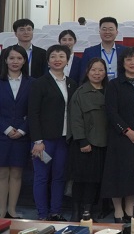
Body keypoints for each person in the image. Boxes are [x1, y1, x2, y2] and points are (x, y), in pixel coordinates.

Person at [101, 47, 134, 223]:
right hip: (121, 136)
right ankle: (118, 210)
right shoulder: (114, 84)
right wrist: (127, 131)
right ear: (122, 63)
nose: (133, 63)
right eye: (129, 60)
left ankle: (129, 208)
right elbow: (111, 111)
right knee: (117, 172)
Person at [29, 44, 77, 221]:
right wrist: (37, 140)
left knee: (59, 177)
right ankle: (42, 214)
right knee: (41, 177)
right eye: (53, 56)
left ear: (67, 60)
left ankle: (56, 212)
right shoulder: (39, 83)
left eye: (61, 56)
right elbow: (33, 113)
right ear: (48, 61)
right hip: (44, 141)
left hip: (64, 139)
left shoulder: (72, 83)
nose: (57, 60)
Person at [67, 58, 108, 221]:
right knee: (80, 180)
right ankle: (76, 213)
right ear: (87, 72)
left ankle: (87, 213)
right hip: (84, 144)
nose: (97, 73)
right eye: (93, 70)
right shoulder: (80, 92)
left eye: (101, 70)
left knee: (94, 181)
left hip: (102, 143)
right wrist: (82, 140)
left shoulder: (109, 91)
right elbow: (75, 119)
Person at [0, 45, 33, 219]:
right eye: (11, 58)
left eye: (19, 58)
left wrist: (22, 129)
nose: (15, 61)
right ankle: (1, 211)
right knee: (2, 173)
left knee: (17, 173)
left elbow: (34, 110)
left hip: (22, 135)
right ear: (5, 60)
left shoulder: (32, 83)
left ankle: (12, 210)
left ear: (24, 61)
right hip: (1, 134)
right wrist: (6, 128)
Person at [80, 17, 126, 81]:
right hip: (97, 86)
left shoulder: (125, 51)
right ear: (99, 31)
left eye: (111, 29)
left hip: (119, 86)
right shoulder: (89, 52)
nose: (107, 32)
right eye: (104, 29)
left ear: (116, 32)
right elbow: (83, 75)